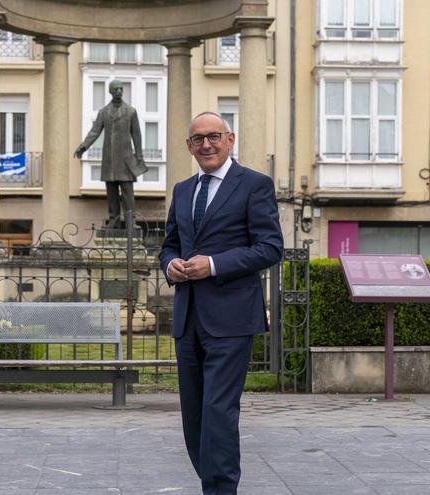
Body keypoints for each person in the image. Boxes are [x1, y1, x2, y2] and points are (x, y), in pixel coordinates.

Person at [159, 112, 283, 494]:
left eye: (214, 136)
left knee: (218, 413)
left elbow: (270, 247)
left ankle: (221, 489)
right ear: (188, 146)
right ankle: (211, 485)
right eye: (198, 139)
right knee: (194, 418)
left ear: (231, 139)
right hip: (188, 319)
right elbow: (169, 245)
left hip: (231, 320)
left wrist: (213, 265)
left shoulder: (254, 185)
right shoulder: (183, 190)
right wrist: (170, 266)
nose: (206, 145)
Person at [74, 80, 148, 228]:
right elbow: (94, 131)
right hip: (109, 160)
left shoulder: (131, 111)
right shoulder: (103, 112)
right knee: (111, 193)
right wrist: (83, 147)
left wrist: (139, 157)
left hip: (126, 160)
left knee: (128, 193)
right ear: (110, 91)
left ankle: (130, 221)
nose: (119, 91)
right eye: (116, 89)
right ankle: (114, 221)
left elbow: (136, 135)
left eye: (120, 89)